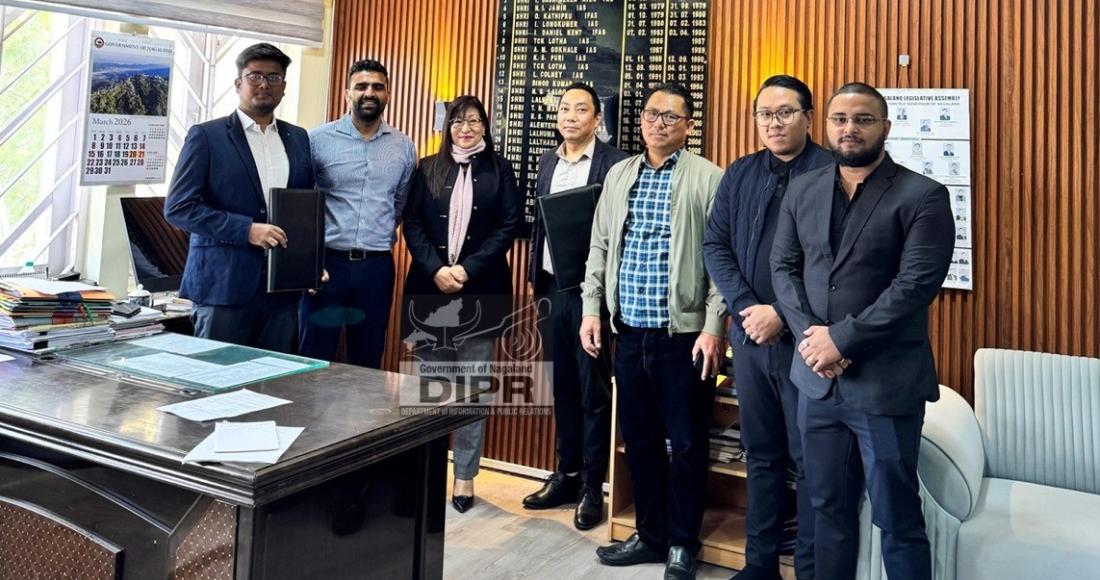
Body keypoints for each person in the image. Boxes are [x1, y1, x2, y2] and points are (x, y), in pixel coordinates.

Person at [770, 82, 955, 580]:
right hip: (817, 382)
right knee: (826, 509)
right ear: (825, 125)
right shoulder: (804, 189)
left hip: (885, 384)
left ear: (886, 128)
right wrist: (813, 339)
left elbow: (914, 286)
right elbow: (783, 267)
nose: (849, 128)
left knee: (897, 517)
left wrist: (841, 340)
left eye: (863, 119)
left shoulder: (923, 195)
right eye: (840, 119)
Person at [582, 83, 725, 580]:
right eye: (650, 114)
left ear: (688, 125)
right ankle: (649, 535)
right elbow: (600, 246)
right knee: (639, 441)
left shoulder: (709, 177)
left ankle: (683, 543)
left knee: (686, 443)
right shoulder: (620, 174)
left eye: (670, 116)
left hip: (684, 336)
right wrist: (592, 309)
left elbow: (720, 260)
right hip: (628, 332)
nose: (658, 122)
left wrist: (713, 325)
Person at [702, 75, 831, 580]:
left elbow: (835, 264)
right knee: (760, 455)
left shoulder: (833, 172)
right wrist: (746, 307)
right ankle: (759, 566)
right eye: (764, 114)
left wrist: (780, 312)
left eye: (784, 112)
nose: (773, 123)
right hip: (751, 339)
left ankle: (810, 570)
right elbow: (716, 245)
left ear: (808, 117)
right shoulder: (741, 172)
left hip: (809, 344)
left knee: (812, 461)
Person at [401, 95, 522, 514]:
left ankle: (465, 476)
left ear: (485, 126)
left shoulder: (500, 169)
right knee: (432, 389)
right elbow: (412, 223)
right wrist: (436, 269)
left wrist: (467, 270)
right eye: (457, 121)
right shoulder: (427, 168)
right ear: (447, 126)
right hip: (429, 290)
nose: (465, 128)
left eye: (473, 121)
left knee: (472, 389)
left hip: (481, 292)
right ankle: (430, 470)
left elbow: (509, 225)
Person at [522, 82, 628, 529]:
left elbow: (619, 231)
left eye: (580, 109)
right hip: (551, 289)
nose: (569, 116)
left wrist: (600, 295)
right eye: (564, 108)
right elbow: (539, 225)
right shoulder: (548, 160)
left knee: (593, 391)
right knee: (562, 385)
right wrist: (534, 278)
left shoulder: (616, 163)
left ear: (597, 118)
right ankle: (565, 474)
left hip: (591, 294)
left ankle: (591, 485)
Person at [165, 43, 314, 352]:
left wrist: (309, 265)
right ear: (238, 83)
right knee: (216, 377)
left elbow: (304, 207)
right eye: (254, 76)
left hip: (283, 290)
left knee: (277, 378)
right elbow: (179, 208)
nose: (264, 84)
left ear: (284, 87)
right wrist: (246, 230)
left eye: (273, 78)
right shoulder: (207, 136)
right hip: (222, 287)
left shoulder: (298, 138)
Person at [301, 59, 417, 368]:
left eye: (377, 87)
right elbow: (301, 204)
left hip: (375, 270)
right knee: (312, 357)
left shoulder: (404, 147)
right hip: (325, 266)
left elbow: (399, 204)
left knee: (367, 359)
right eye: (361, 86)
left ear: (388, 94)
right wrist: (306, 262)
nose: (369, 93)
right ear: (347, 93)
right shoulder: (317, 140)